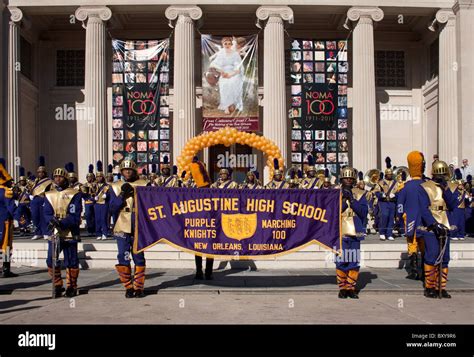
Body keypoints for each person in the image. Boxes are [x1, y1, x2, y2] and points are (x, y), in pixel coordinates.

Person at [109, 159, 149, 298]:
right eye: (125, 170)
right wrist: (122, 195)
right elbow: (112, 208)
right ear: (121, 171)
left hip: (139, 222)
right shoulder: (115, 186)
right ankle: (128, 286)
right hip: (122, 222)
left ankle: (139, 287)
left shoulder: (144, 184)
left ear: (134, 171)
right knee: (123, 256)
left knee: (138, 256)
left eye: (130, 169)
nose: (127, 172)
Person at [418, 160, 458, 298]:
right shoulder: (425, 186)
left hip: (446, 222)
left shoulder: (450, 186)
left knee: (445, 258)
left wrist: (445, 189)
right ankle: (430, 287)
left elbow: (453, 205)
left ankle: (441, 286)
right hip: (431, 225)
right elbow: (423, 208)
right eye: (438, 174)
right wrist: (433, 224)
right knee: (432, 255)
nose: (440, 177)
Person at [44, 166, 82, 297]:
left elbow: (74, 215)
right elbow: (47, 212)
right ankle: (58, 284)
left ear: (65, 178)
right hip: (54, 231)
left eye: (60, 177)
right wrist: (51, 220)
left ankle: (72, 286)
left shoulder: (74, 194)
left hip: (69, 230)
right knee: (51, 259)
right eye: (55, 177)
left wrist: (61, 222)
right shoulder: (49, 194)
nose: (57, 179)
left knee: (71, 260)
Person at [336, 167, 368, 299]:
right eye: (345, 178)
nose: (348, 180)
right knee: (341, 260)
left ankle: (351, 288)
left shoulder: (361, 193)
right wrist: (344, 200)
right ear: (341, 179)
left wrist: (353, 201)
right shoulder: (336, 193)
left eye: (350, 178)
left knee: (354, 261)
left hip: (356, 231)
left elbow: (363, 212)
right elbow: (333, 212)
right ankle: (342, 288)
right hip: (341, 231)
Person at [190, 157, 214, 280]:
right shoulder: (192, 190)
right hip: (197, 222)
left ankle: (208, 272)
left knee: (210, 249)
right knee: (198, 249)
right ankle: (199, 271)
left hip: (211, 223)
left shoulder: (212, 190)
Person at [209, 37, 244, 115]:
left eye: (229, 44)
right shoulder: (221, 54)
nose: (227, 45)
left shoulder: (235, 54)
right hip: (224, 73)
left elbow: (238, 68)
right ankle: (227, 107)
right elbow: (213, 64)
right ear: (223, 44)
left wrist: (231, 74)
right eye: (225, 44)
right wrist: (222, 72)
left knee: (234, 82)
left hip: (234, 73)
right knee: (224, 84)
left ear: (231, 44)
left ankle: (234, 104)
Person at [0, 158, 18, 278]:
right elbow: (11, 207)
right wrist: (22, 219)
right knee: (6, 246)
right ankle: (5, 269)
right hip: (5, 222)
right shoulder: (6, 191)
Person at [376, 157, 399, 241]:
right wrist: (382, 195)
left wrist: (395, 195)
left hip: (392, 202)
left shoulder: (395, 183)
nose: (390, 175)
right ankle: (382, 233)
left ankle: (389, 233)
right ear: (386, 174)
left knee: (391, 217)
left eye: (391, 174)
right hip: (384, 202)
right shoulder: (381, 182)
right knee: (384, 216)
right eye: (388, 174)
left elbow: (398, 193)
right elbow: (376, 192)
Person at [30, 156, 53, 240]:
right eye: (38, 172)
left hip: (43, 199)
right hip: (35, 200)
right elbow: (31, 190)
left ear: (44, 173)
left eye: (41, 172)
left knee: (43, 217)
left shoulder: (49, 181)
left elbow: (50, 191)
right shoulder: (36, 181)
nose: (40, 174)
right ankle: (38, 232)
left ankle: (45, 232)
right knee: (35, 216)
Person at [447, 169, 466, 241]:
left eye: (462, 184)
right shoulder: (455, 192)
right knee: (455, 222)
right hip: (456, 208)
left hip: (462, 208)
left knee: (461, 222)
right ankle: (454, 234)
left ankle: (461, 234)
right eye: (460, 184)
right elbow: (454, 200)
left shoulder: (464, 192)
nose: (461, 186)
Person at [94, 161, 110, 240]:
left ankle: (105, 233)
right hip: (96, 203)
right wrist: (93, 198)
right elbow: (89, 194)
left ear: (103, 177)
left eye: (100, 177)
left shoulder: (107, 186)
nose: (98, 178)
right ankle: (98, 233)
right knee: (97, 219)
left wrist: (107, 195)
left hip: (104, 203)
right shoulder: (94, 185)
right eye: (97, 177)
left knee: (104, 218)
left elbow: (111, 195)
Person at [14, 167, 31, 236]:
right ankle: (22, 227)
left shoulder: (28, 187)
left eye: (23, 181)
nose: (22, 182)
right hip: (20, 204)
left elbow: (30, 194)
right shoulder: (18, 187)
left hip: (26, 204)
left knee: (27, 216)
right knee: (20, 216)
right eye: (21, 181)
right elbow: (16, 195)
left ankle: (26, 227)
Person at [82, 164, 96, 237]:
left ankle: (95, 229)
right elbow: (84, 193)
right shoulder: (84, 185)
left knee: (94, 216)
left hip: (95, 202)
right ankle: (90, 229)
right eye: (88, 177)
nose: (89, 178)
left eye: (90, 177)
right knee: (88, 216)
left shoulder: (96, 184)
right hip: (87, 202)